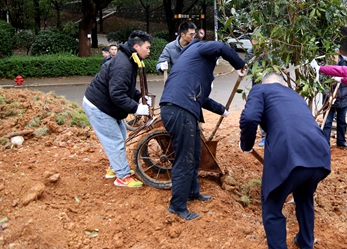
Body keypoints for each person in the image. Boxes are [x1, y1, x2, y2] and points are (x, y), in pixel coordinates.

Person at [239, 73, 331, 249]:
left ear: (266, 83)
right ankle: (305, 242)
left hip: (290, 152)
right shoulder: (294, 95)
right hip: (319, 154)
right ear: (283, 84)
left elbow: (249, 118)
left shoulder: (260, 89)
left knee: (272, 206)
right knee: (305, 197)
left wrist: (246, 144)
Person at [159, 39, 246, 220]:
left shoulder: (192, 64)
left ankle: (192, 192)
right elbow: (220, 47)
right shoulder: (199, 48)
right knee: (185, 158)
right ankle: (177, 207)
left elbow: (203, 99)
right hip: (180, 109)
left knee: (195, 153)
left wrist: (222, 110)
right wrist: (239, 64)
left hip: (181, 108)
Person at [82, 30, 153, 188]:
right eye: (147, 47)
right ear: (136, 46)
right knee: (114, 141)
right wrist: (137, 108)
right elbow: (117, 94)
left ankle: (114, 168)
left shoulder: (129, 59)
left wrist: (139, 97)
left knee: (120, 136)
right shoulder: (123, 65)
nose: (149, 51)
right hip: (99, 106)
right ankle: (122, 177)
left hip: (106, 105)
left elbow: (126, 87)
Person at [321, 53, 347, 149]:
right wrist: (328, 94)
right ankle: (325, 144)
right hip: (329, 100)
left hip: (344, 98)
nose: (332, 58)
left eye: (333, 56)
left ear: (338, 52)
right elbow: (321, 83)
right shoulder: (324, 64)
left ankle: (341, 141)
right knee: (327, 123)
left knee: (342, 122)